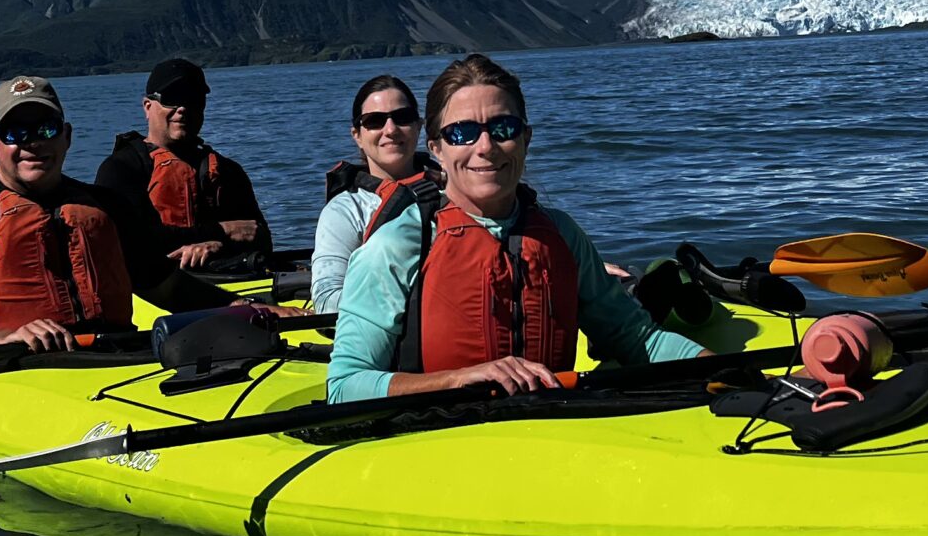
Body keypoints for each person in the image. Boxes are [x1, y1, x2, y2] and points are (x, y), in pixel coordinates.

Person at [327, 53, 705, 401]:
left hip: (554, 432)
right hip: (438, 442)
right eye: (462, 133)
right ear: (437, 148)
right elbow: (345, 387)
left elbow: (637, 338)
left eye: (503, 128)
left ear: (526, 138)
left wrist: (718, 365)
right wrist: (459, 378)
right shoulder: (399, 244)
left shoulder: (561, 234)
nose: (486, 146)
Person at [0, 74, 235, 356]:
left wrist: (243, 310)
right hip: (14, 369)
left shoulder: (106, 206)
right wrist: (5, 339)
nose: (33, 143)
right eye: (16, 133)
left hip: (117, 359)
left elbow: (167, 287)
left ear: (67, 137)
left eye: (46, 129)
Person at [96, 57, 274, 272]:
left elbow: (258, 235)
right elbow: (129, 239)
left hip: (227, 280)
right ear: (147, 106)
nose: (183, 108)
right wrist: (222, 231)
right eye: (171, 99)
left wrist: (216, 245)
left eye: (194, 99)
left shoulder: (228, 171)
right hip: (157, 288)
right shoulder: (121, 169)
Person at [308, 73, 435, 313]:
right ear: (357, 135)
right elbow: (327, 300)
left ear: (419, 127)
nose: (391, 129)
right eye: (375, 121)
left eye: (403, 118)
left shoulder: (455, 190)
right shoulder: (345, 211)